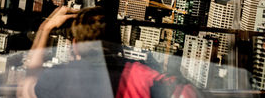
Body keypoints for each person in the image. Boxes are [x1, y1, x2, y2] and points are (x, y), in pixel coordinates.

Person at [18, 6, 200, 98]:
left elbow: (25, 91)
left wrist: (46, 29)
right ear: (118, 44)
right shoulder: (142, 76)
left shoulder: (60, 77)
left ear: (75, 44)